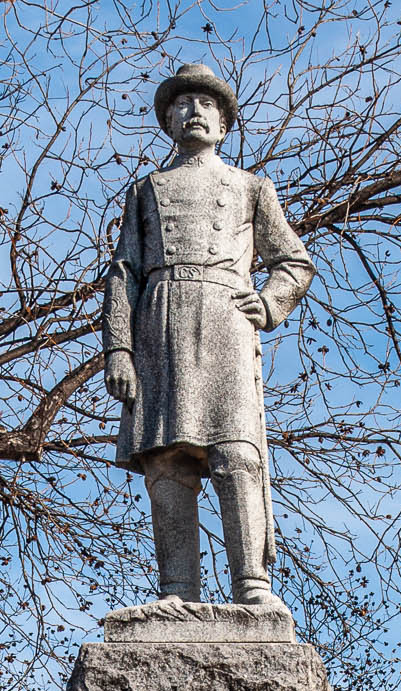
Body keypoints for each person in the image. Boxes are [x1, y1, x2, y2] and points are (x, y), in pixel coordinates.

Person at [104, 63, 314, 606]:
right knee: (167, 459)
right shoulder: (147, 190)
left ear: (223, 124)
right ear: (167, 119)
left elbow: (293, 260)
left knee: (236, 452)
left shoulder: (250, 187)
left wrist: (267, 303)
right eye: (182, 103)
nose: (193, 112)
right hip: (160, 324)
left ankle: (252, 586)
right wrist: (119, 350)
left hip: (225, 319)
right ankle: (177, 589)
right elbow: (125, 272)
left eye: (206, 105)